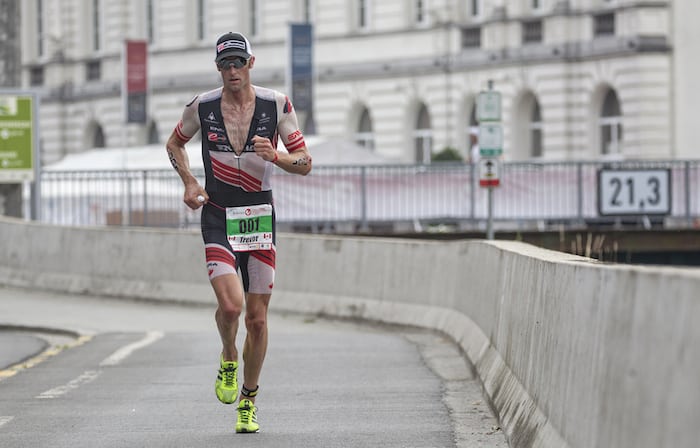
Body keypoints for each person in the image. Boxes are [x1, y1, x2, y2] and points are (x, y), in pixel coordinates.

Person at [165, 31, 312, 433]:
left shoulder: (276, 104)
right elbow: (174, 144)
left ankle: (248, 400)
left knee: (258, 321)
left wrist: (277, 157)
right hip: (217, 214)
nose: (232, 70)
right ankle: (228, 356)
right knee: (231, 308)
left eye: (238, 62)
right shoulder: (202, 106)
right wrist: (190, 184)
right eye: (224, 64)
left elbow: (305, 162)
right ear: (218, 68)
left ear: (251, 63)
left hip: (259, 219)